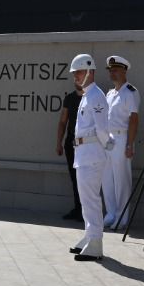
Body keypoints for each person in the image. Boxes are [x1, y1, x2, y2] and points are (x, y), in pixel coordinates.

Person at [67, 54, 113, 261]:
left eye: (79, 72)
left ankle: (96, 243)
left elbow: (102, 129)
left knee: (91, 199)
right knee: (86, 200)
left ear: (90, 72)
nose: (76, 76)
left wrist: (108, 147)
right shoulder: (87, 96)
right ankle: (90, 236)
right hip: (84, 153)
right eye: (74, 73)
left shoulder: (96, 96)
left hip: (93, 154)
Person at [101, 56, 139, 230]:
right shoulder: (110, 93)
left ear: (124, 71)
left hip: (122, 138)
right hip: (108, 139)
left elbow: (134, 119)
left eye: (115, 70)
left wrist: (130, 144)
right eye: (110, 70)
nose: (112, 73)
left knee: (121, 180)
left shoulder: (130, 92)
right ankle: (110, 213)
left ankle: (121, 218)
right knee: (107, 179)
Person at [55, 87, 82, 220]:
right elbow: (62, 121)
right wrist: (59, 143)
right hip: (71, 144)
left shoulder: (92, 97)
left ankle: (85, 212)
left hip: (87, 145)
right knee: (74, 178)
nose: (76, 77)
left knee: (85, 179)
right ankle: (78, 209)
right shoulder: (70, 98)